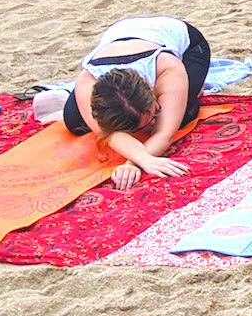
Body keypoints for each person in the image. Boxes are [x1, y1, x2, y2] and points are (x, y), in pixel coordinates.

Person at [57, 15, 211, 191]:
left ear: (151, 90)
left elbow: (164, 133)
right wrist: (143, 158)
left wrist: (133, 163)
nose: (151, 123)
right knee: (74, 121)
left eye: (154, 112)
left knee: (183, 116)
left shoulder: (168, 68)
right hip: (121, 35)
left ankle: (189, 91)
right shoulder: (87, 81)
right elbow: (106, 132)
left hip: (187, 43)